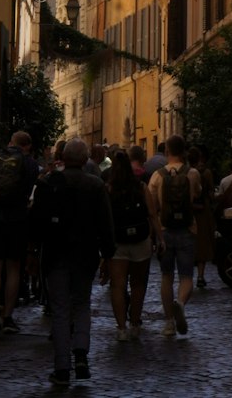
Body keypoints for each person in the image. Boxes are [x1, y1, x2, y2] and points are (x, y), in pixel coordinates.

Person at [29, 137, 116, 388]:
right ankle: (80, 355)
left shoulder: (48, 183)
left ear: (64, 158)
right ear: (85, 159)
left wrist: (32, 252)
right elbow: (105, 224)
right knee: (81, 304)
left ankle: (61, 366)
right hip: (85, 255)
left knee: (59, 308)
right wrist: (108, 256)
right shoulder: (96, 185)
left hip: (55, 253)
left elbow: (36, 221)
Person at [0, 129, 40, 334]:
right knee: (14, 268)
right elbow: (32, 195)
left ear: (11, 141)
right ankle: (7, 316)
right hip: (17, 220)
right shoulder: (30, 164)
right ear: (27, 146)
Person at [148, 133, 201, 338]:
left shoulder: (158, 175)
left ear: (167, 151)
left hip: (165, 230)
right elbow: (197, 194)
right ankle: (180, 302)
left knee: (166, 276)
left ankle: (169, 322)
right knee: (187, 276)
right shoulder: (192, 173)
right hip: (188, 229)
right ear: (184, 151)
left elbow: (153, 206)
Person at [105, 149, 158, 340]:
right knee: (138, 285)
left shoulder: (109, 189)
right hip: (140, 240)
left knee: (118, 286)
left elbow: (105, 219)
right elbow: (152, 214)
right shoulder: (140, 186)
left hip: (117, 242)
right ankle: (135, 323)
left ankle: (121, 328)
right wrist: (159, 237)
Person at [188, 145, 216, 289]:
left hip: (188, 211)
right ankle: (200, 275)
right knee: (202, 243)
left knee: (189, 242)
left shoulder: (185, 173)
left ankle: (186, 277)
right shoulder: (205, 173)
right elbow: (210, 192)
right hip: (202, 211)